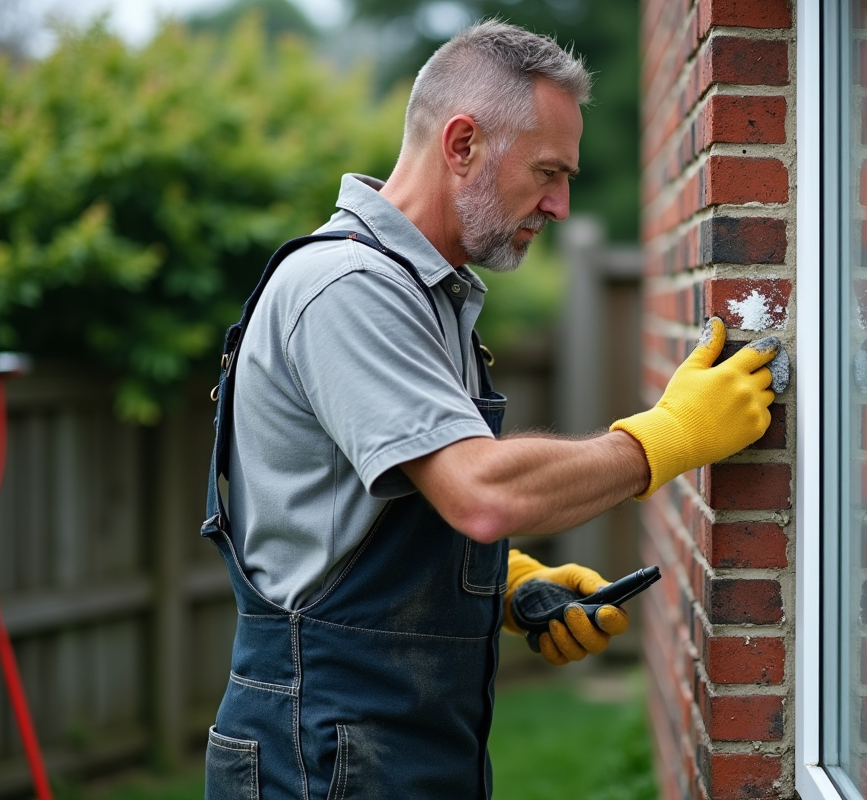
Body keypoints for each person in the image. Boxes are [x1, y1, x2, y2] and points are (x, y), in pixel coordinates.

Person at [200, 20, 779, 800]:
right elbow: (481, 492)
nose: (562, 204)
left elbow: (369, 518)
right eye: (548, 171)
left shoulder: (423, 293)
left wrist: (506, 585)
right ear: (463, 143)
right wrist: (668, 436)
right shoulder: (347, 289)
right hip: (320, 748)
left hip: (385, 741)